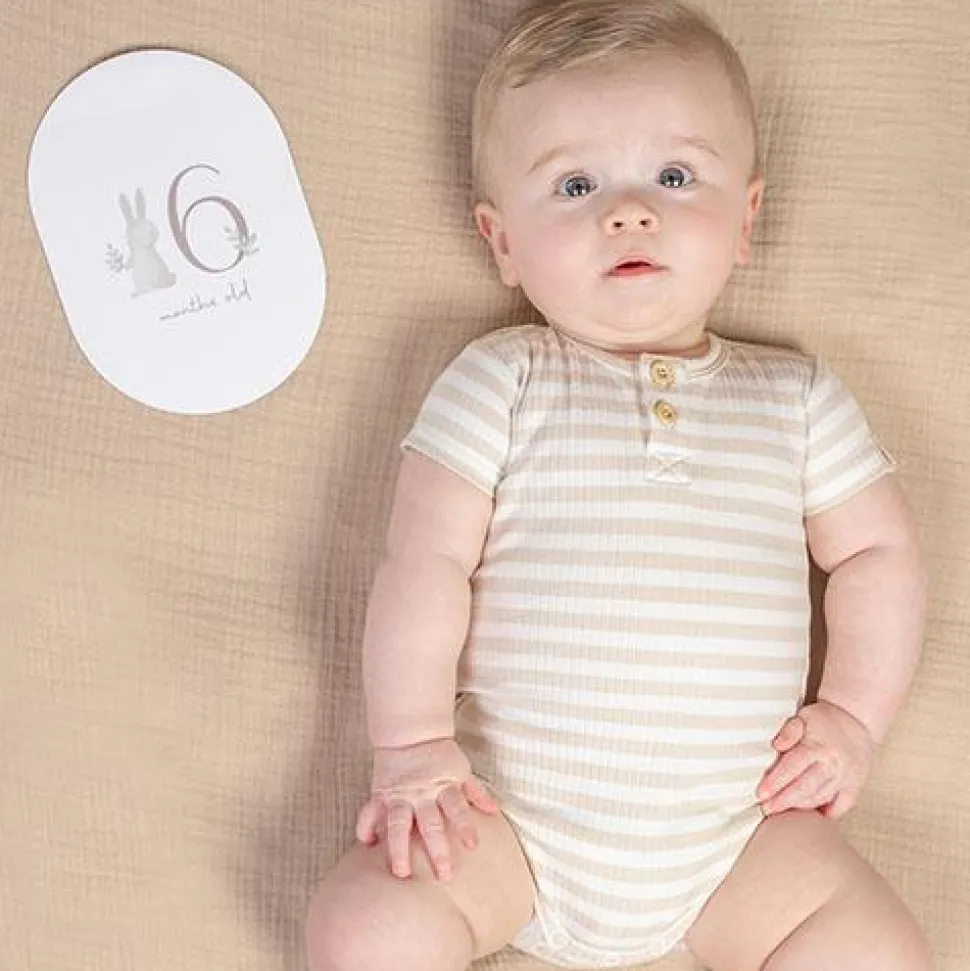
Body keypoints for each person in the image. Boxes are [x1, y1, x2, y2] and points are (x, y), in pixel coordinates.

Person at [305, 1, 930, 968]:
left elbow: (879, 552)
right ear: (503, 241)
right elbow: (422, 563)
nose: (628, 211)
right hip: (501, 823)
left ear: (745, 221)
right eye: (575, 184)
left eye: (675, 176)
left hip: (740, 839)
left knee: (875, 951)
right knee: (367, 928)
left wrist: (852, 716)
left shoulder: (797, 398)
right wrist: (413, 742)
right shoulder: (501, 378)